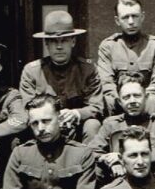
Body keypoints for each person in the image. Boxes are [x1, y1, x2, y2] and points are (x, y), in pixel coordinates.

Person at [19, 11, 103, 142]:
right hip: (43, 128)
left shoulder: (87, 69)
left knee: (93, 125)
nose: (59, 46)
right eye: (53, 42)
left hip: (76, 128)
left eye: (64, 41)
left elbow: (97, 107)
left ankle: (89, 161)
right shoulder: (32, 71)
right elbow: (27, 108)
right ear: (46, 44)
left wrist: (76, 114)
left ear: (73, 42)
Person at [89, 71, 155, 183]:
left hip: (150, 178)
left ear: (146, 97)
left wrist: (122, 157)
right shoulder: (111, 124)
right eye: (126, 97)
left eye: (137, 96)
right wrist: (110, 160)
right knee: (95, 170)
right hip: (118, 180)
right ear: (119, 102)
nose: (132, 101)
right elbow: (93, 151)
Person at [95, 0, 155, 115]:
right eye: (125, 17)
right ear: (117, 20)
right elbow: (106, 81)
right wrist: (122, 99)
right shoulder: (108, 46)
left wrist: (139, 99)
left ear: (142, 17)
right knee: (107, 101)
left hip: (146, 102)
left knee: (152, 99)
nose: (131, 22)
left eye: (135, 16)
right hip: (119, 102)